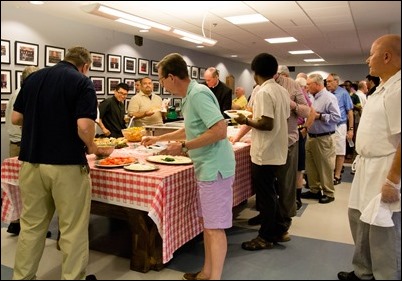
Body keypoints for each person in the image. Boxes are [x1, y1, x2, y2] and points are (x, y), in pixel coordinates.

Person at [141, 53, 235, 280]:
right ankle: (206, 273)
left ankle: (214, 277)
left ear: (172, 77)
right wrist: (158, 139)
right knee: (209, 224)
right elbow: (191, 128)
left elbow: (219, 130)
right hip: (207, 167)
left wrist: (184, 146)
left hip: (215, 169)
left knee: (215, 227)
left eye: (161, 79)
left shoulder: (199, 94)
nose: (161, 84)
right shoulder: (190, 95)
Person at [11, 46, 99, 280]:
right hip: (66, 165)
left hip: (31, 163)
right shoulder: (82, 82)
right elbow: (84, 127)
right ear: (85, 66)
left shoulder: (33, 78)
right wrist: (93, 147)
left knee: (31, 227)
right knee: (73, 229)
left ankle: (22, 277)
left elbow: (16, 117)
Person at [338, 34, 401, 281]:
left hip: (385, 168)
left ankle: (386, 276)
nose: (367, 59)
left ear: (387, 56)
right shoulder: (382, 87)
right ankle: (364, 271)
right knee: (359, 218)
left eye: (372, 54)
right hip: (366, 165)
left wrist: (393, 181)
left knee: (383, 229)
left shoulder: (398, 89)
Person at [232, 53, 290, 250]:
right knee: (271, 192)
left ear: (255, 72)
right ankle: (280, 228)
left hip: (265, 151)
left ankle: (265, 236)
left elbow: (266, 123)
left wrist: (245, 120)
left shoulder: (264, 92)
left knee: (265, 196)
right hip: (278, 148)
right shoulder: (281, 90)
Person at [4, 66, 52, 237]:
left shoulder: (18, 91)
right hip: (23, 142)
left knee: (20, 186)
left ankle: (16, 224)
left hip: (17, 141)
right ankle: (25, 226)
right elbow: (17, 119)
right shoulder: (24, 92)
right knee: (28, 188)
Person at [300, 74, 340, 204]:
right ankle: (314, 190)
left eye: (309, 84)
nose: (307, 86)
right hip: (311, 136)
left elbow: (336, 118)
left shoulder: (329, 98)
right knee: (311, 166)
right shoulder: (311, 97)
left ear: (317, 84)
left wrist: (320, 116)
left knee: (325, 166)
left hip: (324, 137)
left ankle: (329, 192)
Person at [326, 73, 354, 185]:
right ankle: (330, 174)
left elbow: (350, 112)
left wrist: (351, 129)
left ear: (336, 82)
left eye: (330, 81)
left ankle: (337, 175)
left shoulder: (343, 93)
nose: (327, 83)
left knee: (340, 151)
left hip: (340, 125)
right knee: (330, 151)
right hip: (328, 125)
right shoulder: (327, 93)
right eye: (327, 81)